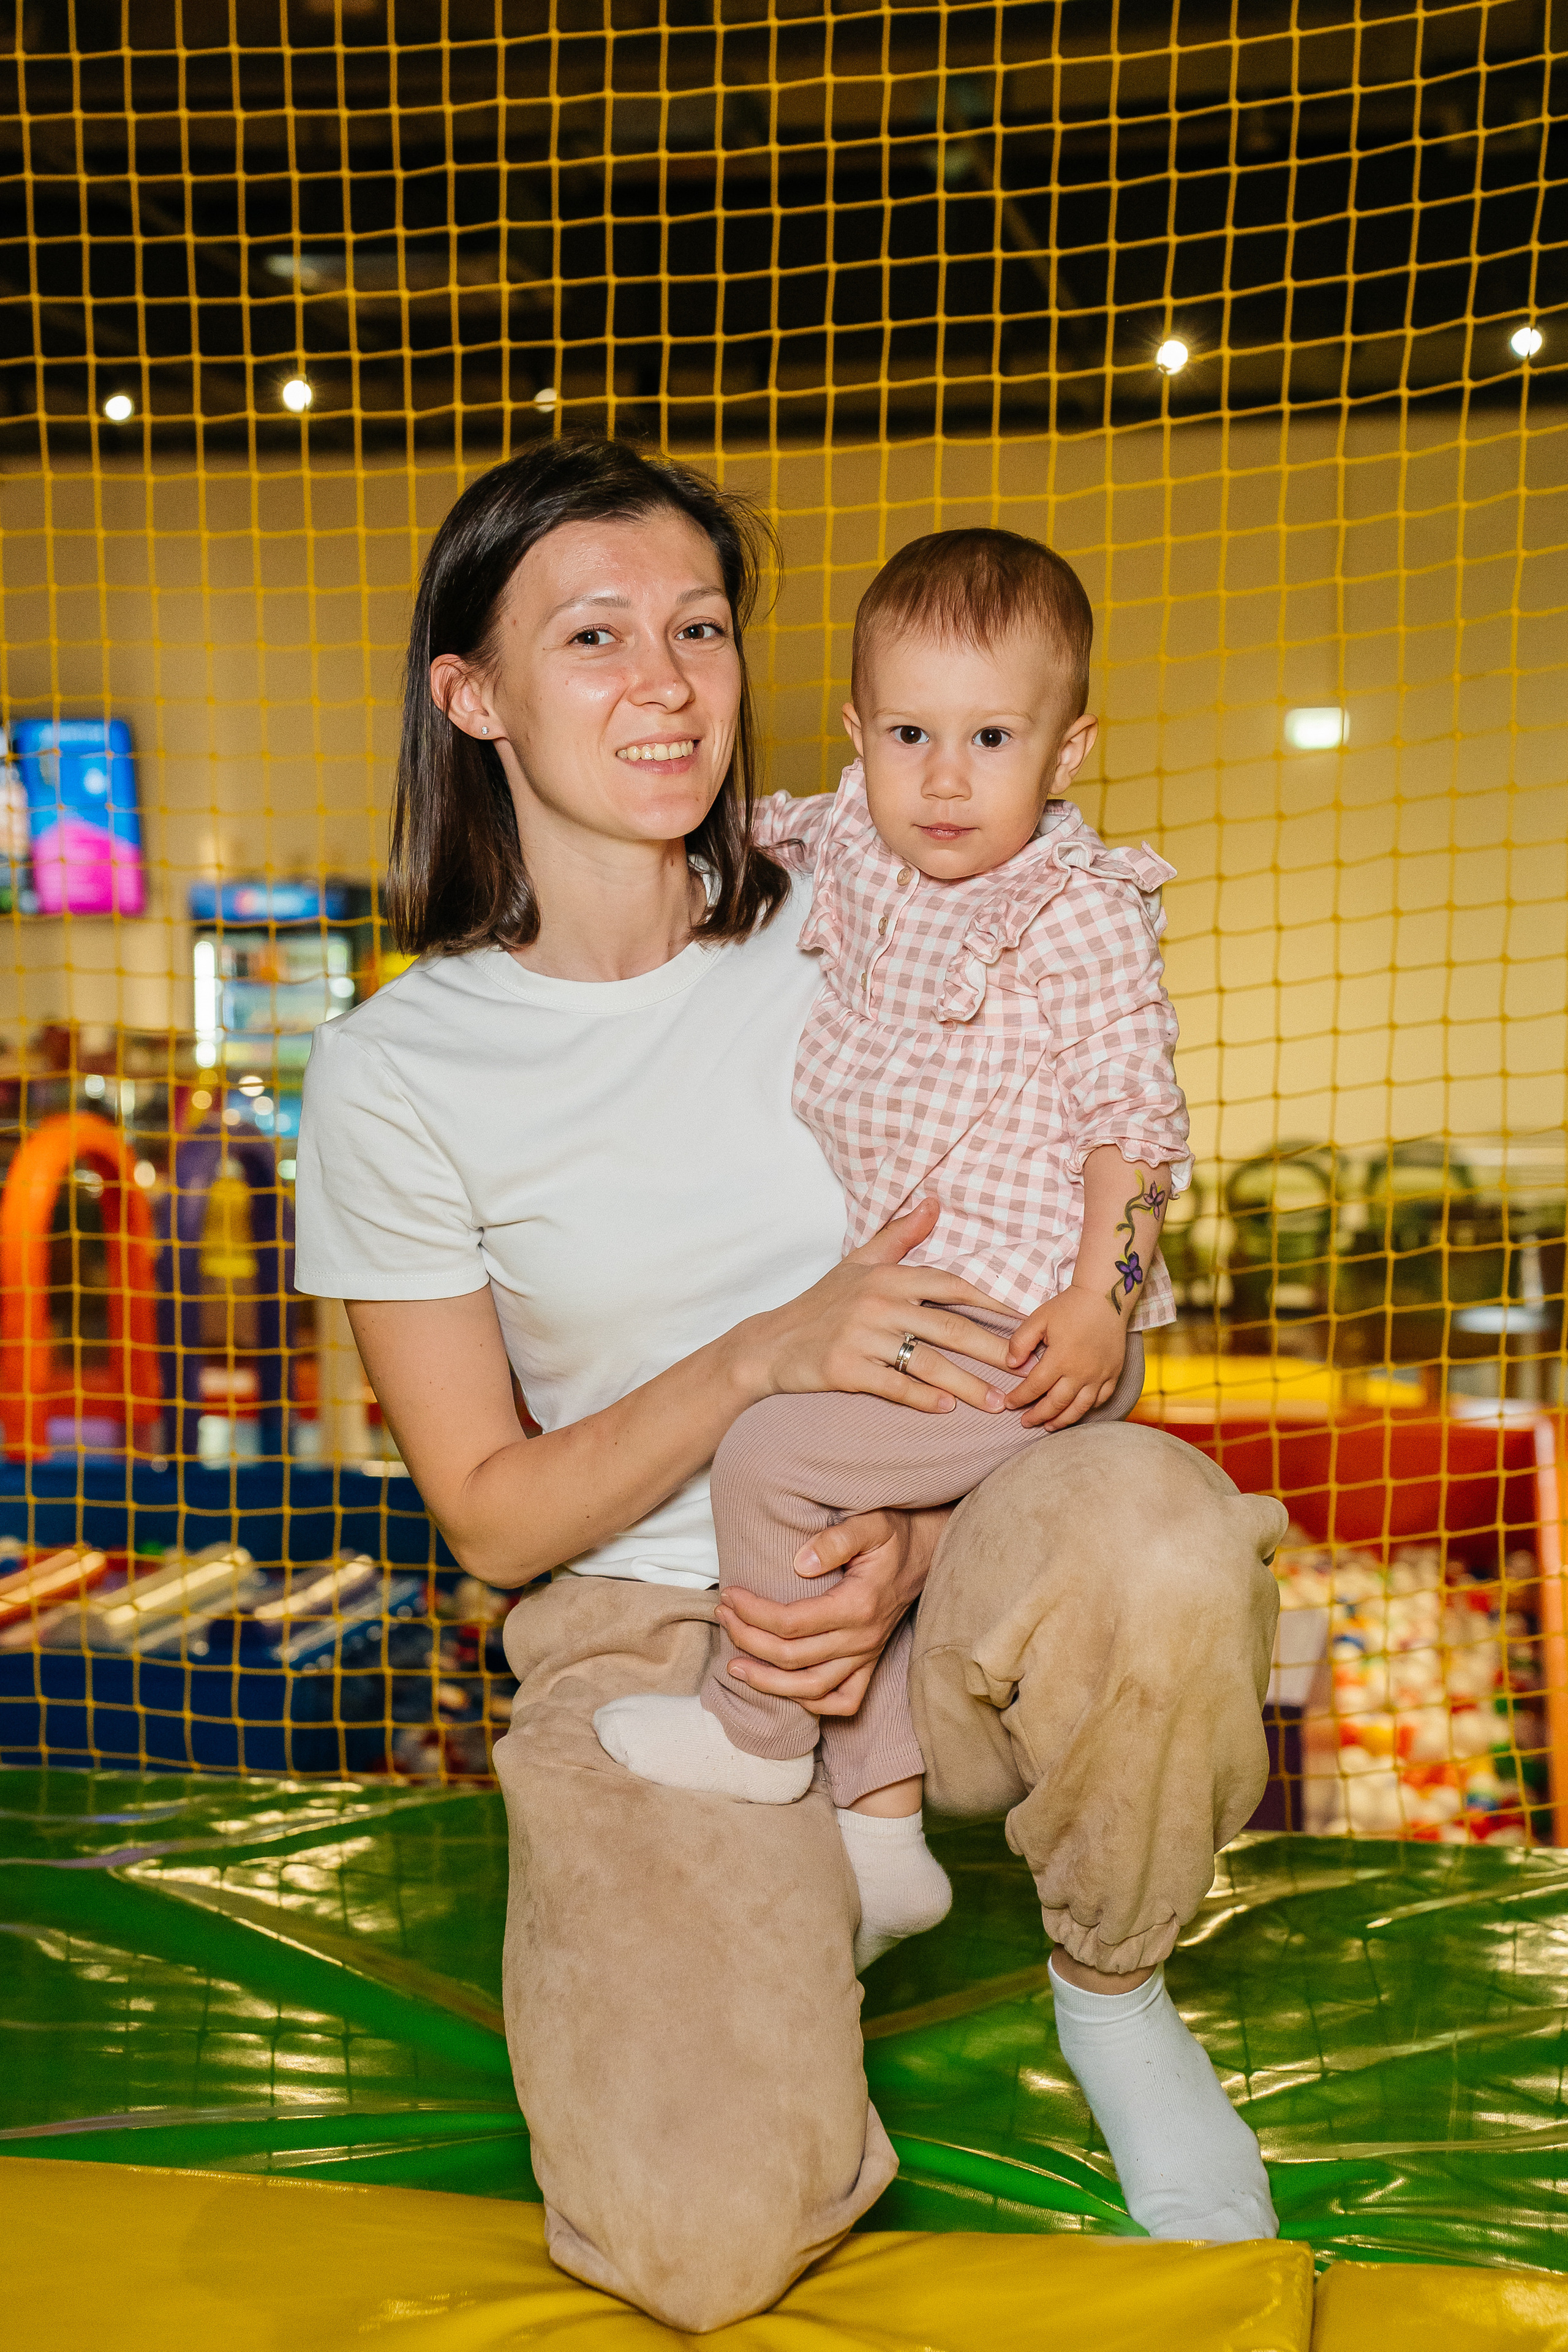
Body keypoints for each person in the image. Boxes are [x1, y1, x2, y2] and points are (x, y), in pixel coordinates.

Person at [292, 437, 1282, 2332]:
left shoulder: (864, 908)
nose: (665, 683)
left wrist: (901, 1534)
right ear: (471, 693)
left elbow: (1089, 1222)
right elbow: (489, 1515)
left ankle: (1112, 1985)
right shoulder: (403, 1071)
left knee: (1162, 1533)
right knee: (695, 2245)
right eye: (594, 636)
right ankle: (775, 1887)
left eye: (700, 627)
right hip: (649, 1628)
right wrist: (764, 1356)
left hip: (952, 1552)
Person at [594, 527, 1190, 1983]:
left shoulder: (1074, 912)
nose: (942, 779)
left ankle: (755, 1730)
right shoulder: (854, 837)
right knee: (845, 1540)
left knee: (765, 1456)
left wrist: (1100, 1307)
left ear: (1065, 749)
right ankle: (880, 1839)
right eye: (908, 734)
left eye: (990, 738)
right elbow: (726, 842)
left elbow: (1135, 1121)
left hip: (1020, 1332)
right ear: (857, 736)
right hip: (922, 1319)